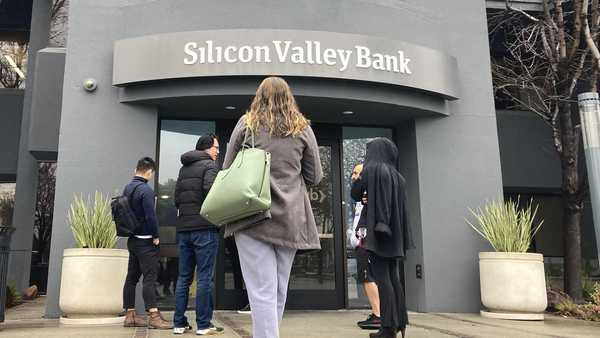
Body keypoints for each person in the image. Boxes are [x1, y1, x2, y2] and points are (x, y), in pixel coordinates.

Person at [222, 76, 323, 338]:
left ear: (259, 96)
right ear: (288, 97)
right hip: (290, 218)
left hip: (251, 216)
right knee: (277, 290)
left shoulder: (248, 124)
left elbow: (227, 168)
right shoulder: (302, 128)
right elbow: (315, 176)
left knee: (261, 291)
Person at [354, 139, 413, 338]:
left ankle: (387, 327)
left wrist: (361, 182)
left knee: (382, 279)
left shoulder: (371, 171)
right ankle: (400, 322)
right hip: (395, 234)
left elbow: (355, 192)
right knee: (393, 278)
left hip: (379, 232)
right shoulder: (398, 177)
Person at [172, 134, 225, 335]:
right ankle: (204, 325)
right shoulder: (209, 166)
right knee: (204, 278)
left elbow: (177, 199)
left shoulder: (183, 168)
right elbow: (211, 192)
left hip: (185, 230)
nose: (217, 151)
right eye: (216, 148)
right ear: (206, 148)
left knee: (184, 277)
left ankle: (179, 323)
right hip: (205, 229)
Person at [122, 157, 172, 330]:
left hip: (132, 241)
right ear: (149, 172)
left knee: (131, 278)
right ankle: (154, 316)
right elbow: (151, 217)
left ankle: (130, 315)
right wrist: (156, 236)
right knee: (149, 279)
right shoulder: (146, 191)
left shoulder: (127, 188)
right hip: (145, 241)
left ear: (136, 169)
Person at [349, 163, 381, 330]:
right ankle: (377, 313)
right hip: (361, 243)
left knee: (369, 278)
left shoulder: (370, 196)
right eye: (353, 173)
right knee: (367, 278)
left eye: (357, 173)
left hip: (366, 244)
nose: (353, 176)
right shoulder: (360, 198)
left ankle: (378, 315)